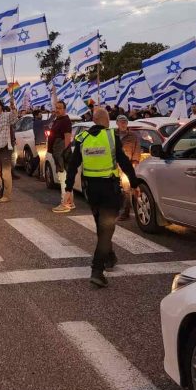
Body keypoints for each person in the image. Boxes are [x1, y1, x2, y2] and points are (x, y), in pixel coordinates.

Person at [63, 108, 139, 288]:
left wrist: (68, 188)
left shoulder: (83, 138)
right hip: (109, 190)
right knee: (106, 229)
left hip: (90, 191)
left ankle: (110, 257)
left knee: (102, 225)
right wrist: (135, 183)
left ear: (93, 121)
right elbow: (124, 162)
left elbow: (72, 164)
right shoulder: (111, 137)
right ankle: (97, 270)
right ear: (106, 121)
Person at [0, 96, 19, 202]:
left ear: (0, 107)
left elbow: (14, 117)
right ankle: (3, 189)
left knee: (5, 173)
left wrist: (12, 106)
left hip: (5, 148)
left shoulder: (6, 116)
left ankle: (6, 195)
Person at [48, 100, 75, 213]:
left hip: (62, 154)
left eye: (59, 108)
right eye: (56, 107)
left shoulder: (65, 121)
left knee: (63, 178)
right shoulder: (58, 120)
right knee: (64, 178)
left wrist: (63, 153)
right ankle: (70, 202)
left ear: (64, 109)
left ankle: (65, 204)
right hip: (58, 153)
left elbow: (67, 139)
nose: (57, 110)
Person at [115, 116, 141, 221]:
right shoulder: (113, 134)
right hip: (114, 166)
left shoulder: (133, 136)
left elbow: (137, 150)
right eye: (121, 122)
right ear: (117, 123)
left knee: (126, 190)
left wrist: (134, 162)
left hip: (126, 166)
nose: (123, 124)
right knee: (115, 189)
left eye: (125, 122)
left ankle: (126, 212)